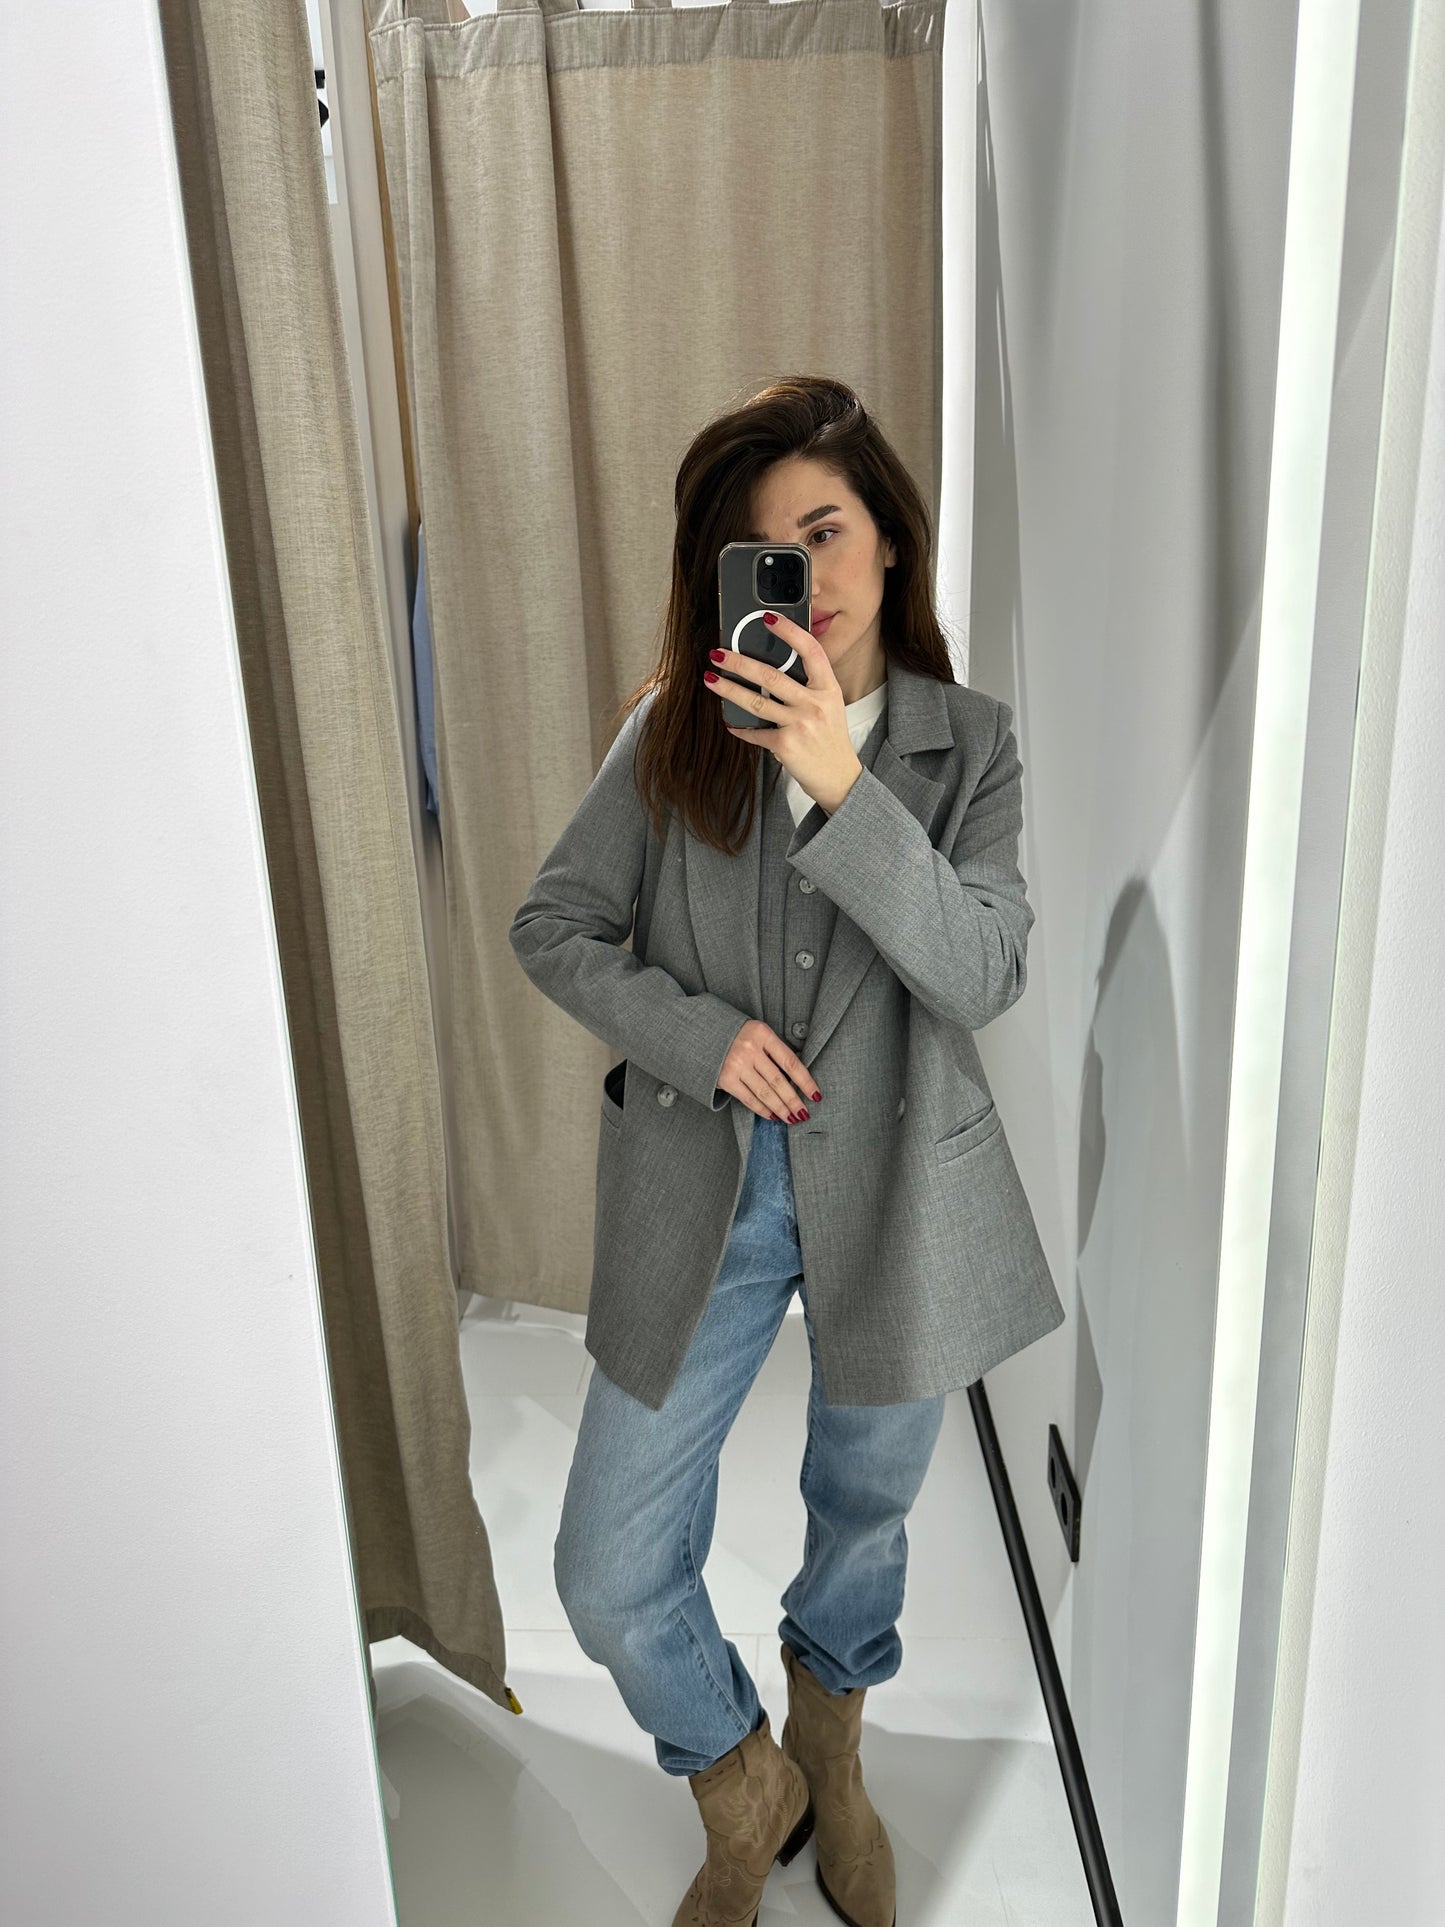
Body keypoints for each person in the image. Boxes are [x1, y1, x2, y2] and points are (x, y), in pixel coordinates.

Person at [508, 375, 1064, 1927]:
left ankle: (833, 1753)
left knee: (863, 1512)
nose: (804, 577)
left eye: (824, 530)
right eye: (765, 551)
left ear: (888, 536)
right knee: (608, 1566)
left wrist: (838, 780)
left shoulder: (970, 748)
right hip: (711, 1180)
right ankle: (739, 1778)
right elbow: (553, 925)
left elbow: (980, 973)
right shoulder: (676, 733)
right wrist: (696, 1034)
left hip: (903, 1189)